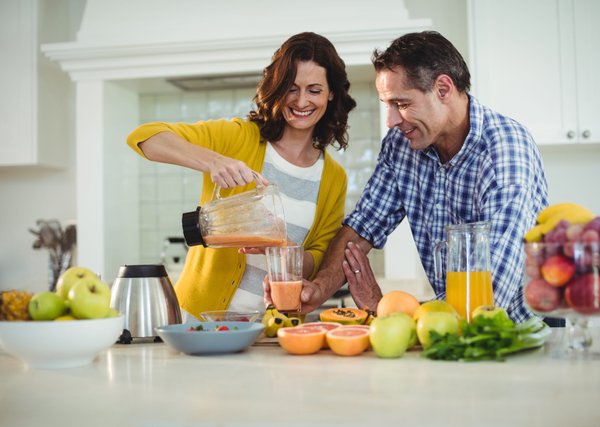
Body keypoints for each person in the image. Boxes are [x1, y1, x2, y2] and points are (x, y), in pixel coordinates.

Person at [291, 31, 548, 323]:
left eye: (401, 104)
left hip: (516, 334)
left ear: (442, 88)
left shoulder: (504, 148)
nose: (391, 121)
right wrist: (318, 289)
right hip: (445, 330)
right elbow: (362, 228)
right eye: (387, 105)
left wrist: (386, 308)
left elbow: (491, 294)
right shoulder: (402, 146)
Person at [127, 32, 356, 320]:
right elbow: (144, 137)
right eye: (291, 88)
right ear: (278, 87)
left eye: (314, 90)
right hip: (199, 321)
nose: (301, 101)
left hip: (269, 329)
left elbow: (319, 255)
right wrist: (213, 161)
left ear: (331, 93)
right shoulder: (238, 138)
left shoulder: (333, 177)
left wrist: (282, 248)